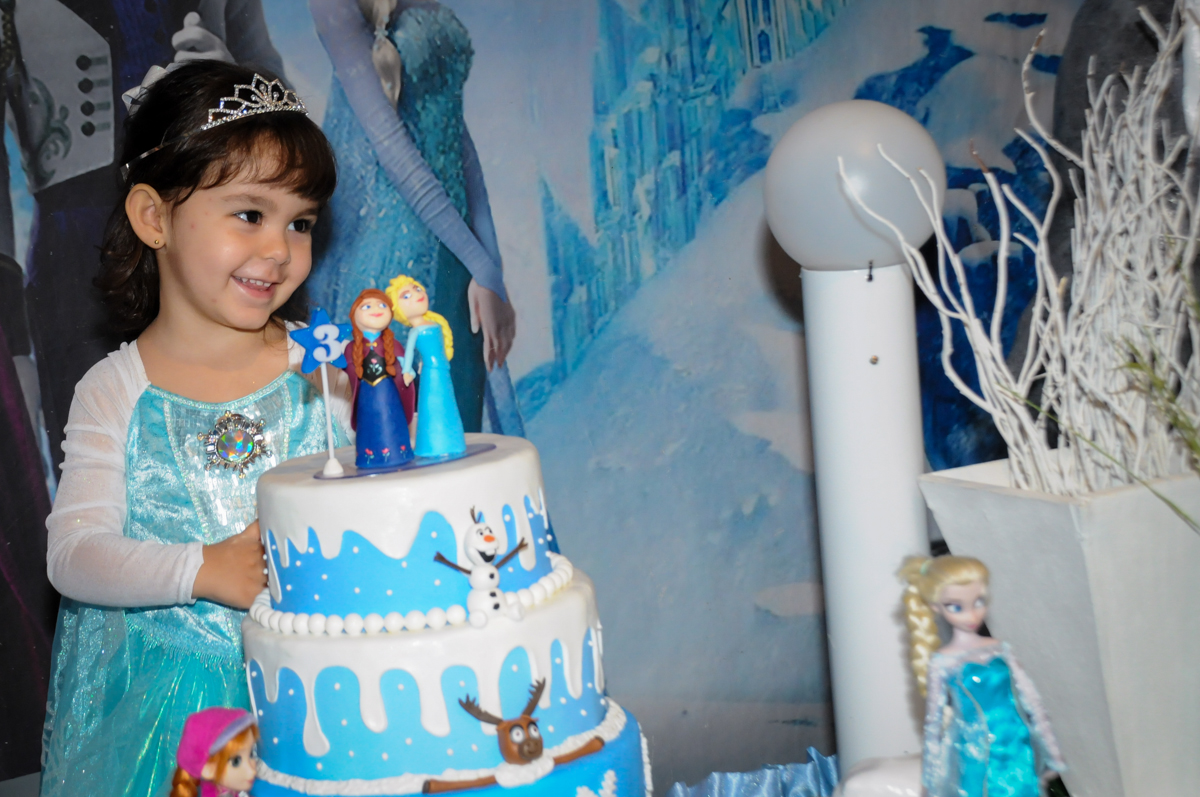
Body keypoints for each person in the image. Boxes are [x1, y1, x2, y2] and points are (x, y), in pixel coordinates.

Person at [40, 61, 347, 797]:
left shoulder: (323, 366)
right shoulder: (114, 390)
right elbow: (73, 554)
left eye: (300, 222)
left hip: (324, 688)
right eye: (250, 214)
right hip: (178, 725)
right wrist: (202, 569)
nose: (280, 249)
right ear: (155, 218)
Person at [307, 0, 523, 436]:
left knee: (458, 432)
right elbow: (392, 148)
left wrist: (489, 268)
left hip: (455, 250)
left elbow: (454, 134)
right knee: (401, 434)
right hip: (392, 256)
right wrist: (479, 261)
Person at [900, 556, 1065, 797]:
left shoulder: (1000, 649)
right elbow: (933, 724)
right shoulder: (943, 661)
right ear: (936, 606)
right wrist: (930, 779)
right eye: (956, 607)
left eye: (979, 602)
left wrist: (1052, 752)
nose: (972, 615)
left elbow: (1033, 702)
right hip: (976, 750)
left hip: (1016, 741)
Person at [388, 274, 466, 458]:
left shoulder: (435, 322)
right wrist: (407, 371)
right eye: (406, 296)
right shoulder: (415, 331)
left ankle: (451, 441)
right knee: (433, 406)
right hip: (432, 372)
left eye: (417, 289)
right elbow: (409, 353)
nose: (416, 294)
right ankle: (433, 444)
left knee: (447, 404)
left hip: (441, 368)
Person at [345, 288, 416, 469]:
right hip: (366, 395)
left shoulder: (392, 344)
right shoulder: (352, 347)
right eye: (366, 306)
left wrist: (409, 372)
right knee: (369, 423)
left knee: (390, 420)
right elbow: (344, 365)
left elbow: (405, 363)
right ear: (354, 315)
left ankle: (398, 452)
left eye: (382, 305)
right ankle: (369, 457)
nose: (375, 309)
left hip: (388, 393)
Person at [170, 707, 259, 797]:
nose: (252, 770)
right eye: (235, 761)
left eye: (251, 754)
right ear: (208, 769)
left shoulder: (224, 789)